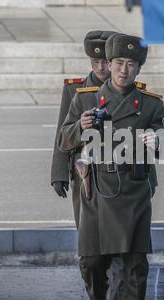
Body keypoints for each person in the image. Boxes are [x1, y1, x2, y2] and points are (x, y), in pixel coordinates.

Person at [59, 33, 164, 300]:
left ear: (138, 68)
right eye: (119, 62)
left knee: (133, 268)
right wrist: (79, 127)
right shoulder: (85, 99)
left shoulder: (150, 103)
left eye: (131, 64)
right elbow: (63, 140)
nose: (124, 69)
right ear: (108, 64)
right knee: (92, 263)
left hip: (134, 192)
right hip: (96, 193)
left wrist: (158, 140)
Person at [51, 30, 116, 228]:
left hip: (117, 170)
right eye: (95, 61)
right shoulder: (74, 90)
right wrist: (59, 174)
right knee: (86, 231)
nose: (101, 67)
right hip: (84, 170)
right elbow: (62, 132)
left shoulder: (127, 90)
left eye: (105, 61)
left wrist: (150, 180)